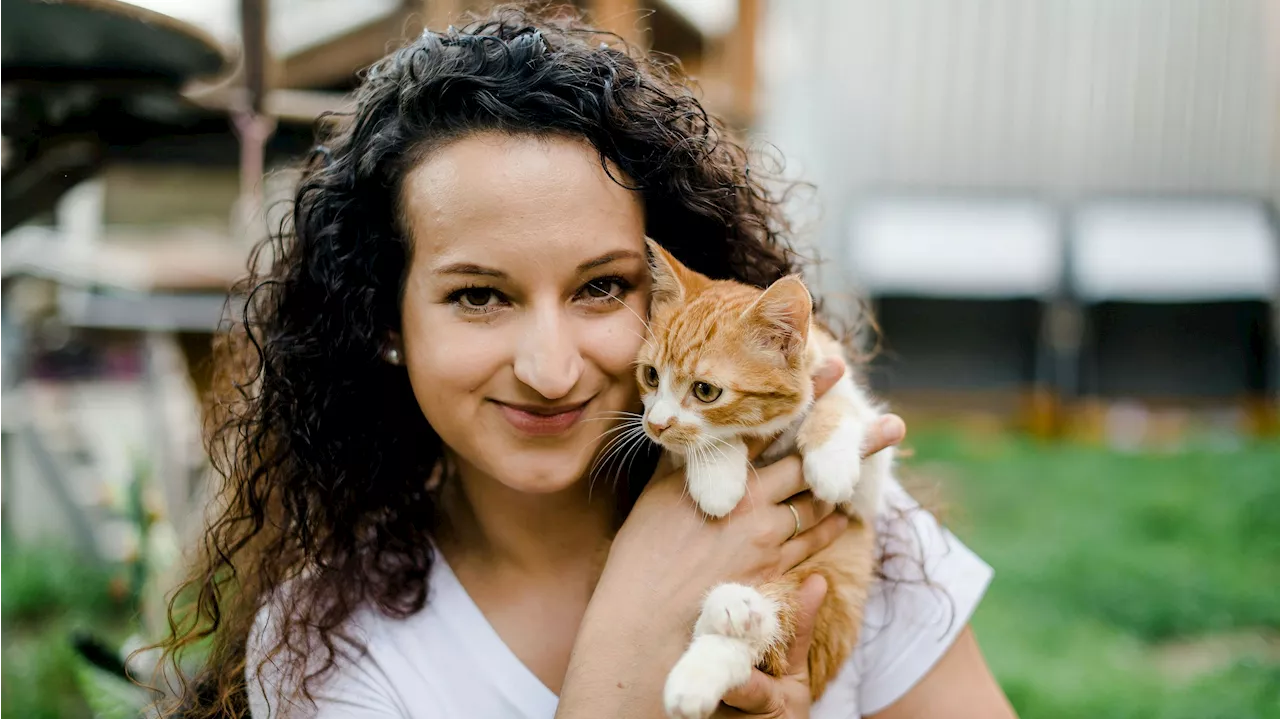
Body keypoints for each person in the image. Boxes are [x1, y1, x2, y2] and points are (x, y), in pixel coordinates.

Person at [156, 6, 1017, 718]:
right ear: (384, 320)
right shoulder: (324, 644)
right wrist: (625, 644)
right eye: (480, 296)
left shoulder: (827, 508)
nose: (551, 368)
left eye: (603, 287)